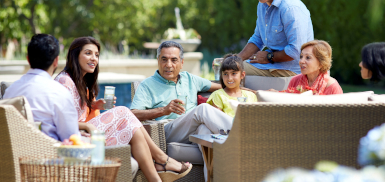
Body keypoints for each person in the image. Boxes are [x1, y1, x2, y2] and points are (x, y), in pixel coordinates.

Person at [55, 37, 191, 182]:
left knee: (131, 126)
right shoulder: (65, 81)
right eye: (88, 53)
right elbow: (61, 122)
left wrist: (93, 105)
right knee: (124, 112)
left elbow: (75, 111)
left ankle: (157, 175)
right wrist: (88, 125)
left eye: (96, 55)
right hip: (75, 139)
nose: (94, 58)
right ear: (75, 55)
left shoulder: (80, 82)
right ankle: (162, 159)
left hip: (86, 135)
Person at [130, 40, 233, 181]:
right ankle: (241, 133)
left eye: (174, 60)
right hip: (167, 131)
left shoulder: (189, 79)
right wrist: (163, 110)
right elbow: (132, 114)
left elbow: (224, 86)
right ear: (158, 60)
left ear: (182, 63)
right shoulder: (147, 85)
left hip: (193, 130)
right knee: (202, 109)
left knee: (205, 131)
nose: (168, 65)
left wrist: (254, 91)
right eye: (164, 59)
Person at [236, 0, 314, 77]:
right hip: (272, 65)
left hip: (294, 71)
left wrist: (269, 57)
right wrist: (236, 59)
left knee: (234, 71)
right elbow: (258, 39)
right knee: (232, 66)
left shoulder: (290, 8)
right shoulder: (262, 5)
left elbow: (296, 50)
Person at [4, 34, 80, 141]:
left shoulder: (9, 92)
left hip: (13, 156)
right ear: (56, 61)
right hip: (51, 156)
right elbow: (72, 137)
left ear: (28, 59)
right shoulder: (59, 92)